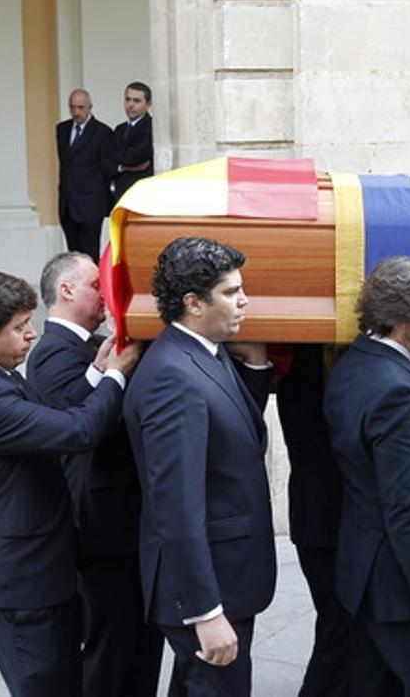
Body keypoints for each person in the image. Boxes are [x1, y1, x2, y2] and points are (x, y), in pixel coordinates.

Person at [0, 271, 141, 695]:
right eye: (19, 327)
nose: (32, 335)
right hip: (19, 586)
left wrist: (97, 372)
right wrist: (116, 375)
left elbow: (56, 416)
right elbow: (77, 432)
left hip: (40, 576)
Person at [123, 236, 276, 696]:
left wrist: (255, 363)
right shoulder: (173, 375)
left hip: (227, 577)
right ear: (193, 302)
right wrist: (205, 612)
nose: (244, 300)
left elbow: (231, 432)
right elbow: (176, 505)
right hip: (207, 592)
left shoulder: (203, 352)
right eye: (230, 292)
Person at [323, 256, 410, 696]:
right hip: (398, 590)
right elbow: (409, 510)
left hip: (365, 576)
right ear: (400, 319)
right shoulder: (397, 392)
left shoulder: (354, 363)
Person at [27, 251, 163, 696]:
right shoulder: (51, 351)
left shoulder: (89, 344)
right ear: (65, 291)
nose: (106, 296)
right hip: (101, 524)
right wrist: (108, 373)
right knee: (111, 646)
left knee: (140, 643)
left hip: (123, 519)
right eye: (95, 287)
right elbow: (78, 420)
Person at [275, 343, 354, 697]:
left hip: (316, 516)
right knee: (340, 630)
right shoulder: (309, 371)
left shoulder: (303, 369)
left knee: (337, 628)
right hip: (325, 519)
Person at [55, 89, 113, 260]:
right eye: (72, 107)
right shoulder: (62, 130)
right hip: (67, 204)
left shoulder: (102, 132)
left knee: (90, 255)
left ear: (90, 107)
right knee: (73, 256)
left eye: (81, 108)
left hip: (90, 204)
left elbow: (106, 170)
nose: (76, 112)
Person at [106, 81, 153, 207]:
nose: (131, 105)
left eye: (137, 101)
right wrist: (124, 167)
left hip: (141, 196)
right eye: (128, 99)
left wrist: (120, 160)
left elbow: (135, 157)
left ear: (148, 104)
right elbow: (107, 161)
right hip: (119, 196)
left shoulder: (151, 128)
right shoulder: (119, 129)